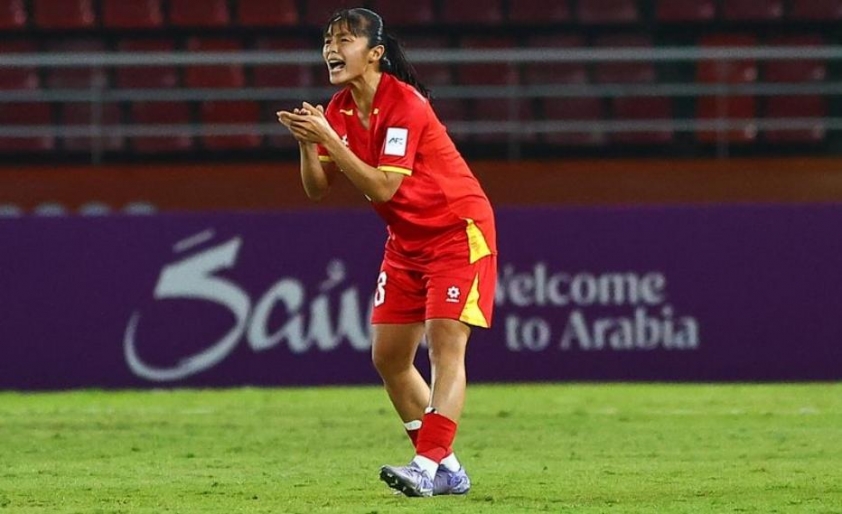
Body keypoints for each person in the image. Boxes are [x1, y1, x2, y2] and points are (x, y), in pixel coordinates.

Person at [277, 7, 497, 498]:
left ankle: (424, 464)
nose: (331, 49)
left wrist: (329, 139)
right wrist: (309, 144)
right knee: (389, 358)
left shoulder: (405, 104)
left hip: (456, 231)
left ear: (375, 53)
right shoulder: (338, 110)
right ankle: (448, 468)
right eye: (328, 41)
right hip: (406, 241)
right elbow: (317, 188)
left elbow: (383, 187)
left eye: (344, 40)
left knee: (444, 346)